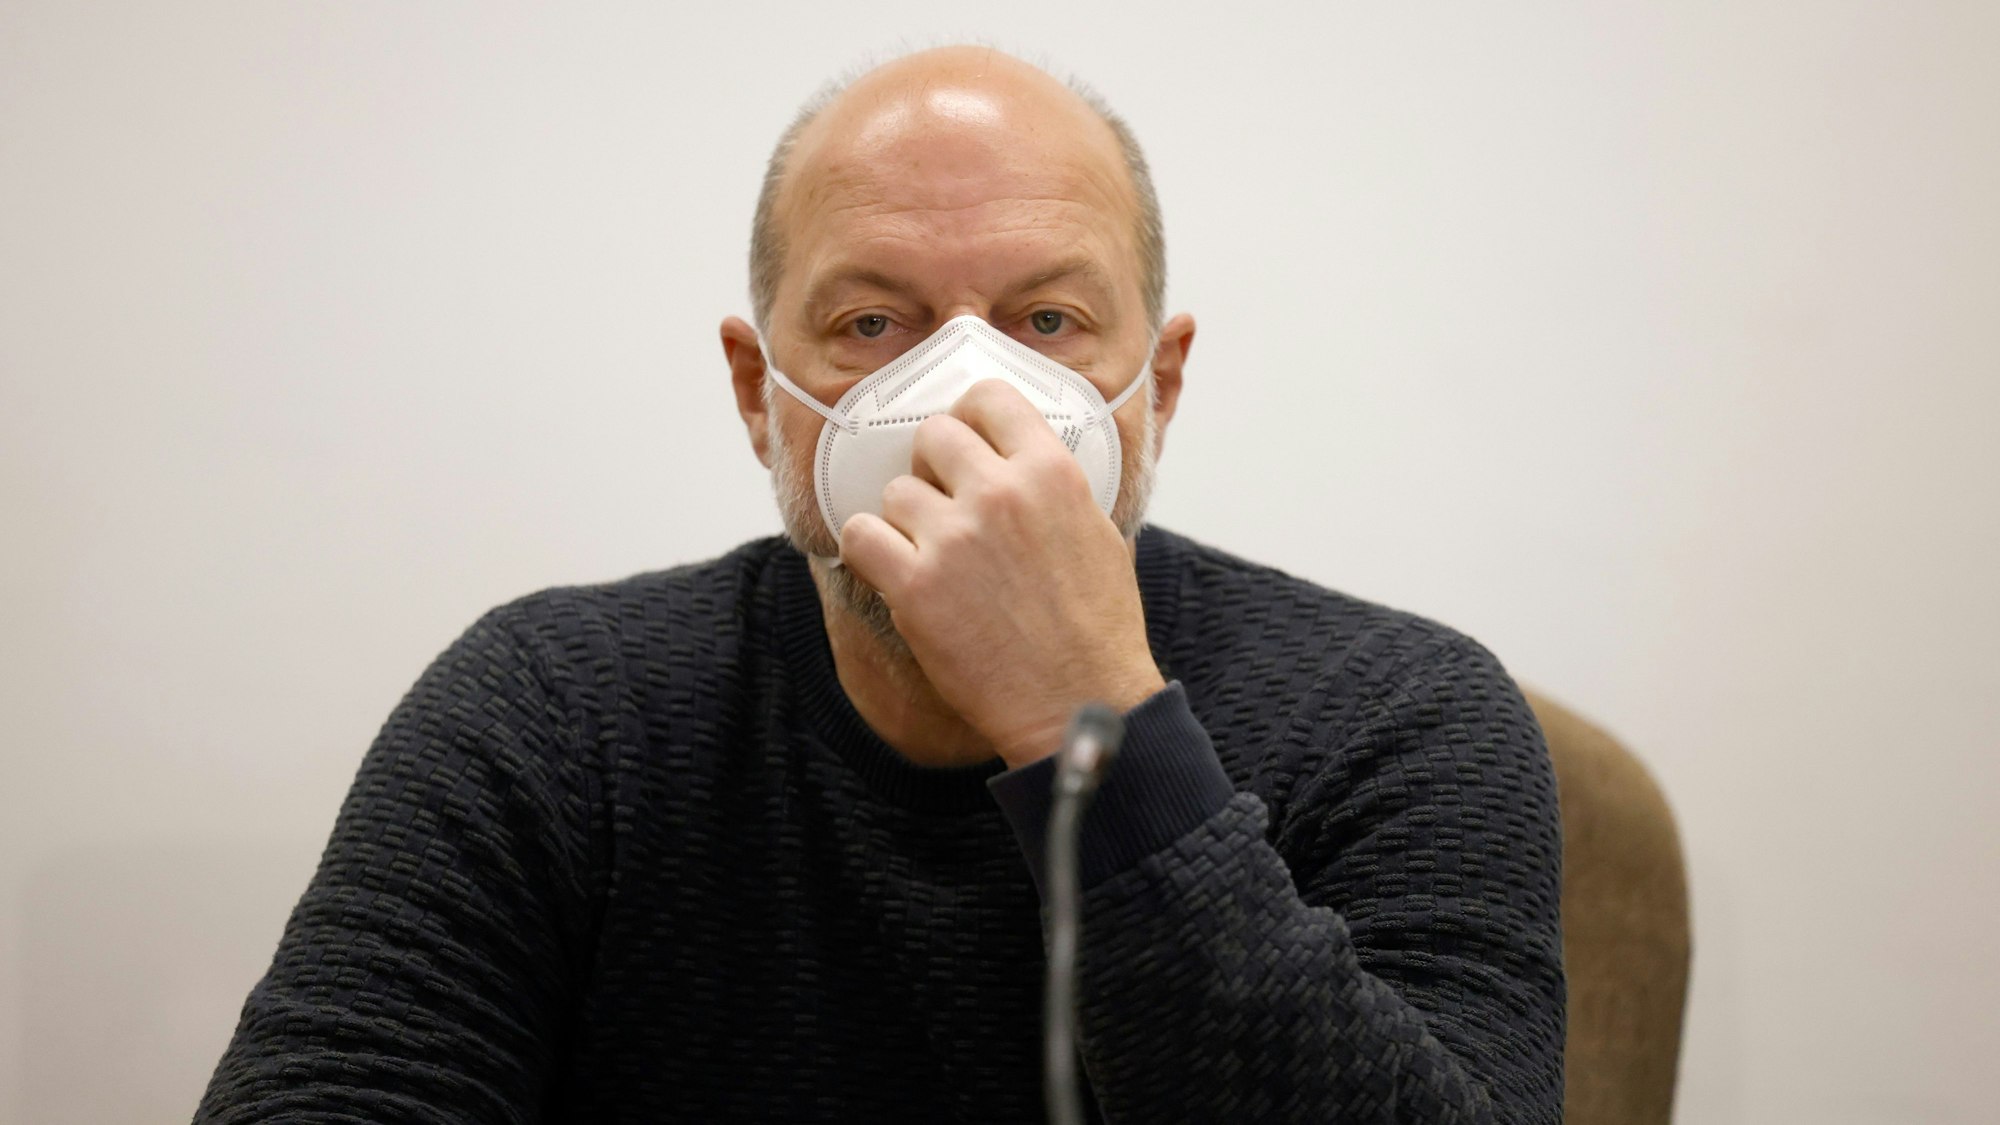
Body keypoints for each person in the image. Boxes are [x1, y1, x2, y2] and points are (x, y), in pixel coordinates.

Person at [196, 45, 1565, 1124]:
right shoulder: (553, 713)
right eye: (871, 323)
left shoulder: (1400, 715)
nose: (962, 397)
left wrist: (1095, 729)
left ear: (1160, 385)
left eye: (1048, 321)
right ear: (759, 394)